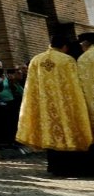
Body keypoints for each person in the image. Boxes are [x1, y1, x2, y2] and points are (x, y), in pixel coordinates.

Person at [17, 33, 94, 177]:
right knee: (68, 133)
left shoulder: (36, 60)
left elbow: (31, 88)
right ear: (65, 47)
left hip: (44, 107)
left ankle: (56, 168)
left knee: (50, 134)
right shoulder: (67, 60)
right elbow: (76, 84)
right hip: (66, 105)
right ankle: (73, 168)